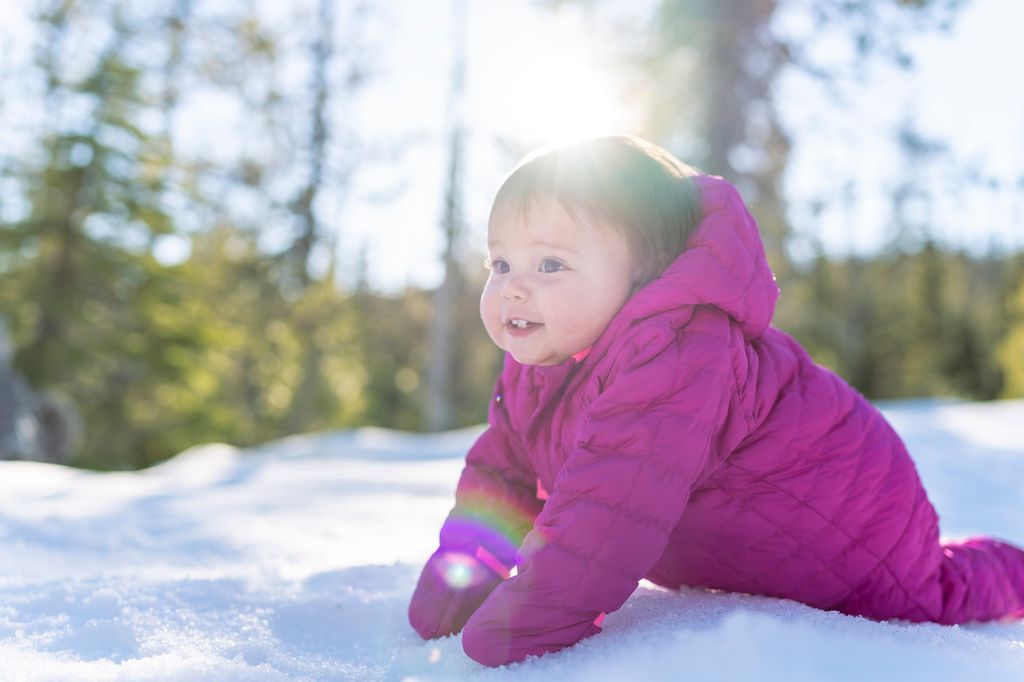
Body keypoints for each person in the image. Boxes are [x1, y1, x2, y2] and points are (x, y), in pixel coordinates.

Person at [407, 136, 1024, 667]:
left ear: (641, 274)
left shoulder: (677, 347)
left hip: (852, 524)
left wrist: (530, 621)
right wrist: (461, 579)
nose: (513, 287)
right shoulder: (538, 367)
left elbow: (611, 505)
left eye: (550, 265)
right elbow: (505, 473)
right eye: (500, 262)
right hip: (745, 542)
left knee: (929, 597)